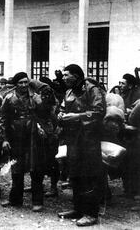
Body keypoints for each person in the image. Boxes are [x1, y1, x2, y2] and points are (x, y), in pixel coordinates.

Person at [57, 64, 105, 227]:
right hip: (73, 139)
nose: (63, 78)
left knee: (89, 175)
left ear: (76, 76)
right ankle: (78, 209)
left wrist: (77, 117)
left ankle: (91, 213)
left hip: (89, 139)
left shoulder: (92, 89)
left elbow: (99, 112)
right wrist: (61, 115)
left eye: (66, 75)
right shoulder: (69, 91)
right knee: (75, 174)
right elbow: (63, 107)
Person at [0, 72, 46, 212]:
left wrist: (40, 105)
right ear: (16, 84)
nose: (24, 85)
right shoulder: (8, 97)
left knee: (36, 168)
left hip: (33, 134)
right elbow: (3, 120)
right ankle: (15, 199)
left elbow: (44, 115)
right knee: (16, 167)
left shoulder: (35, 96)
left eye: (26, 82)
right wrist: (4, 139)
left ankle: (37, 201)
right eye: (20, 83)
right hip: (15, 134)